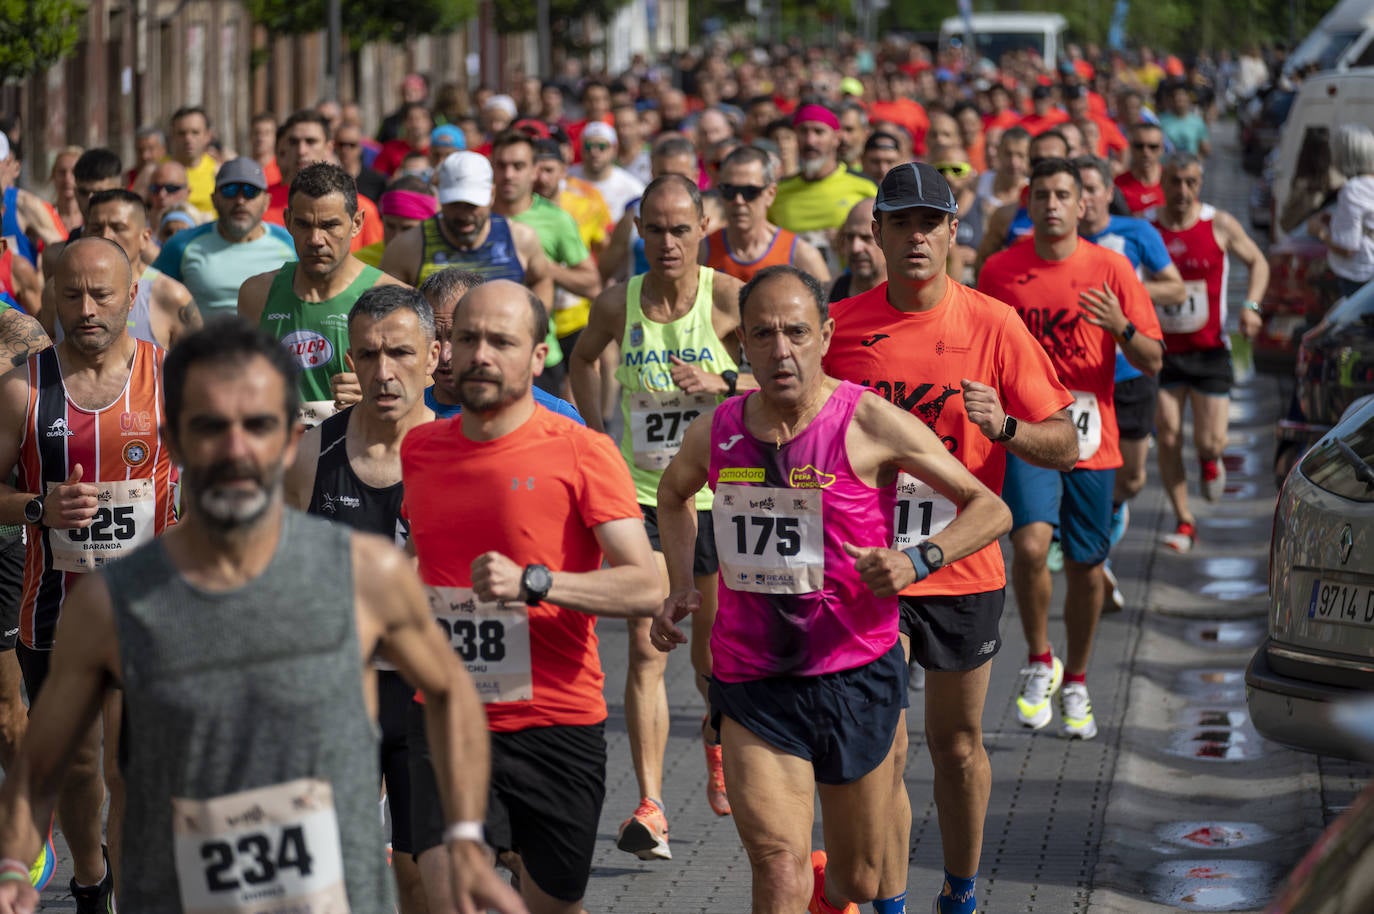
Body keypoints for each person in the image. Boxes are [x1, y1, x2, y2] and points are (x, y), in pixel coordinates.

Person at [0, 317, 523, 914]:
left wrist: (462, 838)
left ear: (286, 439)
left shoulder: (366, 575)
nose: (235, 449)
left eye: (258, 426)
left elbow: (453, 696)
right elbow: (41, 763)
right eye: (210, 426)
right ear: (175, 440)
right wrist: (15, 864)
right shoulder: (111, 604)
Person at [651, 263, 1012, 914]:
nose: (781, 349)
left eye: (795, 331)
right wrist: (680, 583)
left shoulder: (868, 422)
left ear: (825, 335)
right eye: (762, 335)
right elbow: (674, 495)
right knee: (779, 868)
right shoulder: (719, 429)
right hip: (754, 681)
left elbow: (989, 507)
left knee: (859, 883)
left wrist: (915, 562)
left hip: (855, 677)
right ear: (742, 348)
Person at [823, 163, 1077, 914]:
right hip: (872, 568)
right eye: (899, 222)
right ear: (876, 233)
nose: (915, 236)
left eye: (929, 222)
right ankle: (892, 903)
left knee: (956, 747)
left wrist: (1004, 427)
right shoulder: (844, 327)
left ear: (953, 233)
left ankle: (961, 894)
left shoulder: (994, 323)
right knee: (885, 746)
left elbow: (1063, 442)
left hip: (963, 562)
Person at [402, 278, 661, 914]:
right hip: (447, 718)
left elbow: (648, 582)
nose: (480, 354)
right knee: (451, 896)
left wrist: (536, 584)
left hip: (557, 723)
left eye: (501, 341)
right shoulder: (420, 449)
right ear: (445, 350)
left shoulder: (583, 452)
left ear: (538, 355)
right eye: (466, 339)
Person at [569, 174, 749, 857]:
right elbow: (584, 359)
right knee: (648, 647)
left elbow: (794, 370)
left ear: (703, 227)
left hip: (716, 500)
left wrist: (725, 382)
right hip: (643, 497)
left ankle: (714, 742)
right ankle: (650, 807)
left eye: (681, 229)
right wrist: (593, 433)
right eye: (655, 230)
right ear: (638, 232)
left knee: (709, 660)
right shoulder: (618, 302)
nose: (668, 242)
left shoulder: (727, 297)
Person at [0, 237, 182, 910]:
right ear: (50, 296)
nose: (86, 308)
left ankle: (133, 896)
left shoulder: (171, 379)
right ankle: (88, 883)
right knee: (78, 768)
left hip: (151, 614)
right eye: (71, 294)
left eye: (102, 294)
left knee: (130, 766)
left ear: (131, 297)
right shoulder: (22, 388)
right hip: (56, 614)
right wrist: (37, 506)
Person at [980, 158, 1164, 742]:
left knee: (1086, 565)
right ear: (1027, 204)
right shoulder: (1001, 271)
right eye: (1043, 195)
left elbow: (1156, 358)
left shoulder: (1110, 268)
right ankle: (1039, 660)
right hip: (1029, 425)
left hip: (1092, 434)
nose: (1054, 204)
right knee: (1031, 546)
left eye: (1065, 194)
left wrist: (1120, 328)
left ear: (1083, 203)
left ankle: (1077, 679)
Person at [283, 285, 438, 914]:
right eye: (368, 354)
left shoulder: (459, 455)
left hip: (424, 694)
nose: (384, 371)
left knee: (418, 874)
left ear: (434, 356)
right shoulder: (309, 451)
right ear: (350, 359)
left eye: (400, 353)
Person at [1074, 156, 1187, 606]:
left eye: (1089, 188)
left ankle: (1101, 529)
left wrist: (1123, 295)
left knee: (1134, 478)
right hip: (1081, 380)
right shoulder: (1059, 242)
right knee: (1084, 472)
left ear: (1106, 192)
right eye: (1073, 190)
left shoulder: (1137, 233)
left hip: (1131, 370)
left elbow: (1176, 289)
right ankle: (1096, 557)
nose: (1081, 199)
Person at [1150, 153, 1268, 553]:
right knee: (1166, 435)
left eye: (1190, 182)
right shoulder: (1147, 227)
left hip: (1209, 351)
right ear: (1162, 182)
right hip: (1162, 353)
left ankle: (1209, 459)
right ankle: (1184, 520)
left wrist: (1250, 307)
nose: (1182, 191)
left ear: (1200, 184)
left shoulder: (1218, 224)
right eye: (1175, 182)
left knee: (1210, 440)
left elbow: (1259, 262)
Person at [239, 162, 408, 427]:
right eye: (304, 224)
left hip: (356, 457)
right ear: (287, 222)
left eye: (329, 226)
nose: (315, 239)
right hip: (280, 458)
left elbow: (428, 394)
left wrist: (378, 393)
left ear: (357, 223)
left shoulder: (394, 300)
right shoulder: (257, 293)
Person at [490, 131, 603, 394]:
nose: (508, 175)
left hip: (539, 354)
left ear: (533, 171)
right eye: (501, 165)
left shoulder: (557, 220)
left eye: (518, 166)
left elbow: (592, 284)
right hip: (481, 352)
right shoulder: (474, 215)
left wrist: (542, 266)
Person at [418, 269, 583, 424]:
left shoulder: (559, 418)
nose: (444, 355)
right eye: (434, 337)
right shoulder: (406, 414)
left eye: (462, 338)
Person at [153, 157, 297, 317]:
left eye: (251, 191)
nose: (240, 200)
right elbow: (150, 300)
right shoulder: (181, 245)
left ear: (266, 201)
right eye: (230, 190)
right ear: (214, 199)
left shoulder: (291, 244)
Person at [83, 190, 202, 349]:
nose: (106, 236)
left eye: (118, 227)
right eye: (96, 228)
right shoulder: (57, 292)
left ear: (145, 237)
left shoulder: (171, 296)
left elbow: (202, 365)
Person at [768, 104, 878, 274]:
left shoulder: (865, 187)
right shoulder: (777, 192)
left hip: (848, 290)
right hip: (793, 292)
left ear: (836, 137)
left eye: (819, 132)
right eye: (803, 131)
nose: (810, 141)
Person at [702, 146, 830, 285]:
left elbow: (830, 305)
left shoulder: (801, 256)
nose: (738, 200)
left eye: (750, 191)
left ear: (770, 194)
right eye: (729, 190)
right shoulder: (702, 252)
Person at [265, 109, 384, 254]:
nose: (301, 150)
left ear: (328, 148)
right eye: (293, 142)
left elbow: (374, 266)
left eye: (311, 141)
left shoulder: (360, 208)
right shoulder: (261, 204)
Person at [1308, 124, 1374, 299]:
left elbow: (1348, 248)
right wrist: (1336, 220)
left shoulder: (1353, 190)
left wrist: (1319, 232)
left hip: (1361, 275)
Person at [569, 122, 645, 223]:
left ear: (614, 149)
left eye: (602, 146)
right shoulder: (567, 178)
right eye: (588, 146)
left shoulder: (632, 188)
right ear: (582, 149)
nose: (594, 152)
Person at [828, 198, 885, 301]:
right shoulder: (828, 296)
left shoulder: (909, 301)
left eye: (866, 238)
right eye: (850, 237)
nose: (855, 248)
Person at [169, 105, 219, 215]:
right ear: (172, 135)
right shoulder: (157, 172)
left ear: (208, 136)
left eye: (195, 132)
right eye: (182, 133)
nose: (188, 139)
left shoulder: (218, 172)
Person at [1115, 122, 1167, 216]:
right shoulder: (1118, 186)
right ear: (1131, 148)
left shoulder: (1174, 181)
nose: (1146, 152)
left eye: (1153, 147)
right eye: (1139, 146)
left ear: (1161, 149)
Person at [144, 160, 192, 231]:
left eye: (170, 188)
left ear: (187, 192)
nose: (161, 195)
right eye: (155, 188)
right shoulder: (137, 230)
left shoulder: (203, 229)